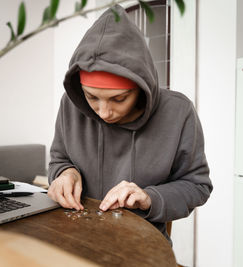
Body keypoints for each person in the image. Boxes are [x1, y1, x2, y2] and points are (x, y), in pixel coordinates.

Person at [47, 5, 213, 242]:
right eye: (92, 97)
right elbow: (59, 159)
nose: (104, 112)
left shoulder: (178, 112)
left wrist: (149, 197)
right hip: (76, 237)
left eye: (119, 99)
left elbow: (197, 186)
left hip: (140, 245)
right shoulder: (70, 105)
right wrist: (65, 173)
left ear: (141, 88)